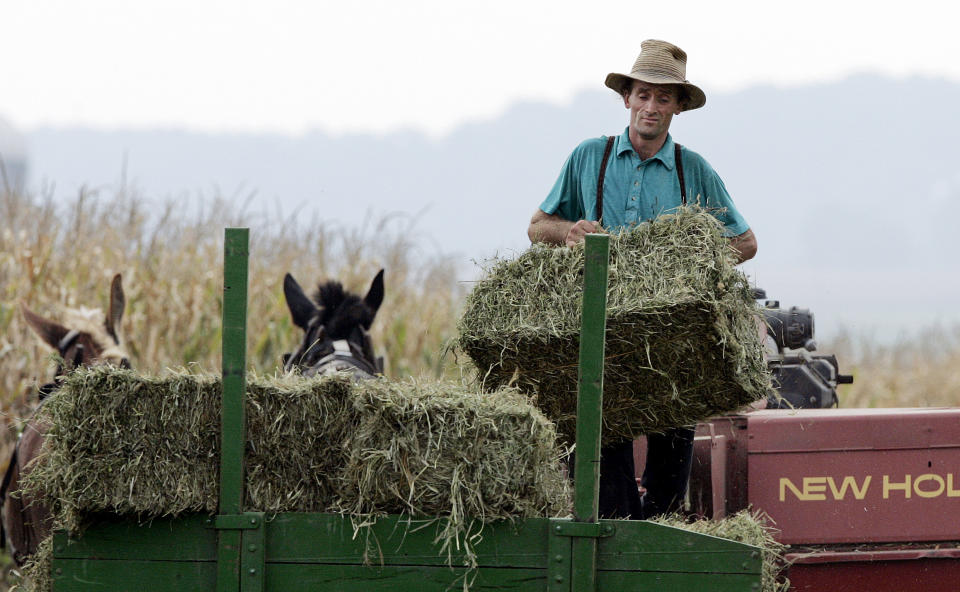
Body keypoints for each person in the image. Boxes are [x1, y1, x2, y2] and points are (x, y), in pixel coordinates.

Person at [527, 39, 757, 519]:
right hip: (594, 323)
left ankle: (664, 532)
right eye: (643, 95)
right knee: (597, 442)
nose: (651, 107)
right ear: (626, 98)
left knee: (671, 446)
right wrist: (568, 231)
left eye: (664, 98)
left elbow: (745, 243)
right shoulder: (590, 157)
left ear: (677, 108)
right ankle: (615, 535)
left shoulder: (692, 170)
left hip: (668, 333)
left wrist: (691, 261)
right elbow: (536, 226)